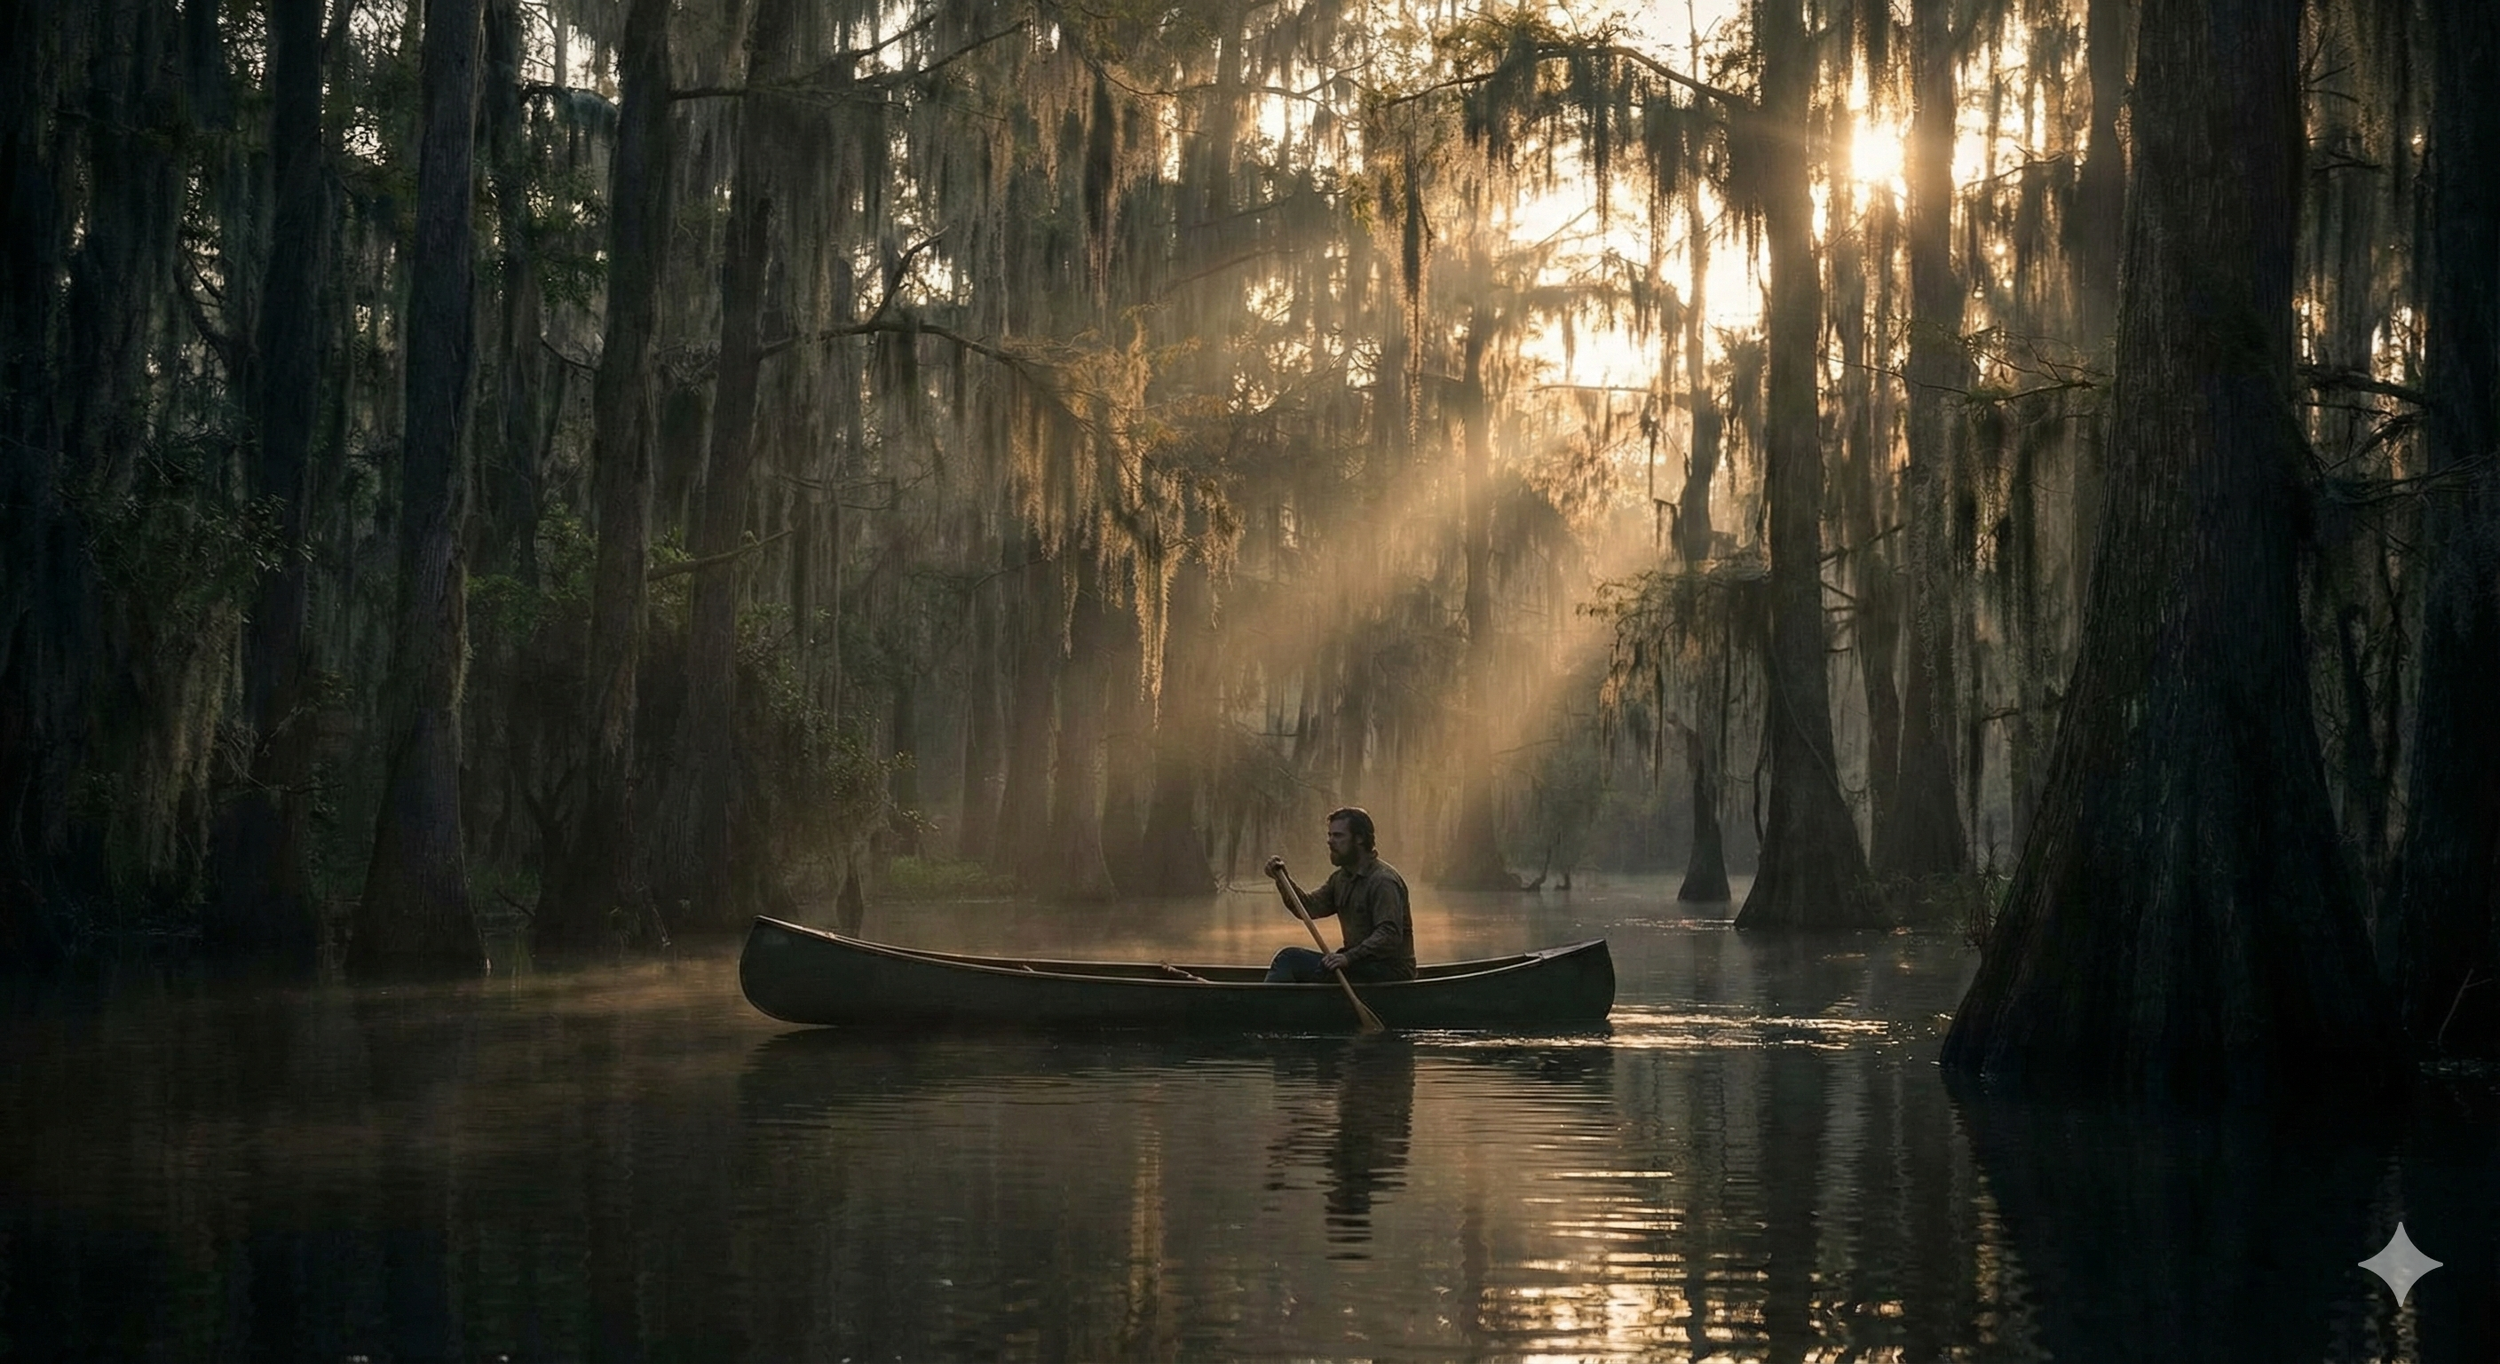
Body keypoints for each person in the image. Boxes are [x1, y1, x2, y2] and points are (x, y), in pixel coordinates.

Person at [1261, 807, 1416, 984]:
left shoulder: (1383, 881)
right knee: (1297, 962)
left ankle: (1265, 1008)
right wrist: (1282, 879)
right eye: (1330, 835)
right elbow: (1308, 908)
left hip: (1389, 971)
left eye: (1338, 836)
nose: (1330, 841)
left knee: (1289, 959)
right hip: (1358, 965)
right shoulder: (1341, 879)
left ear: (1359, 839)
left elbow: (1389, 935)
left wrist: (1348, 957)